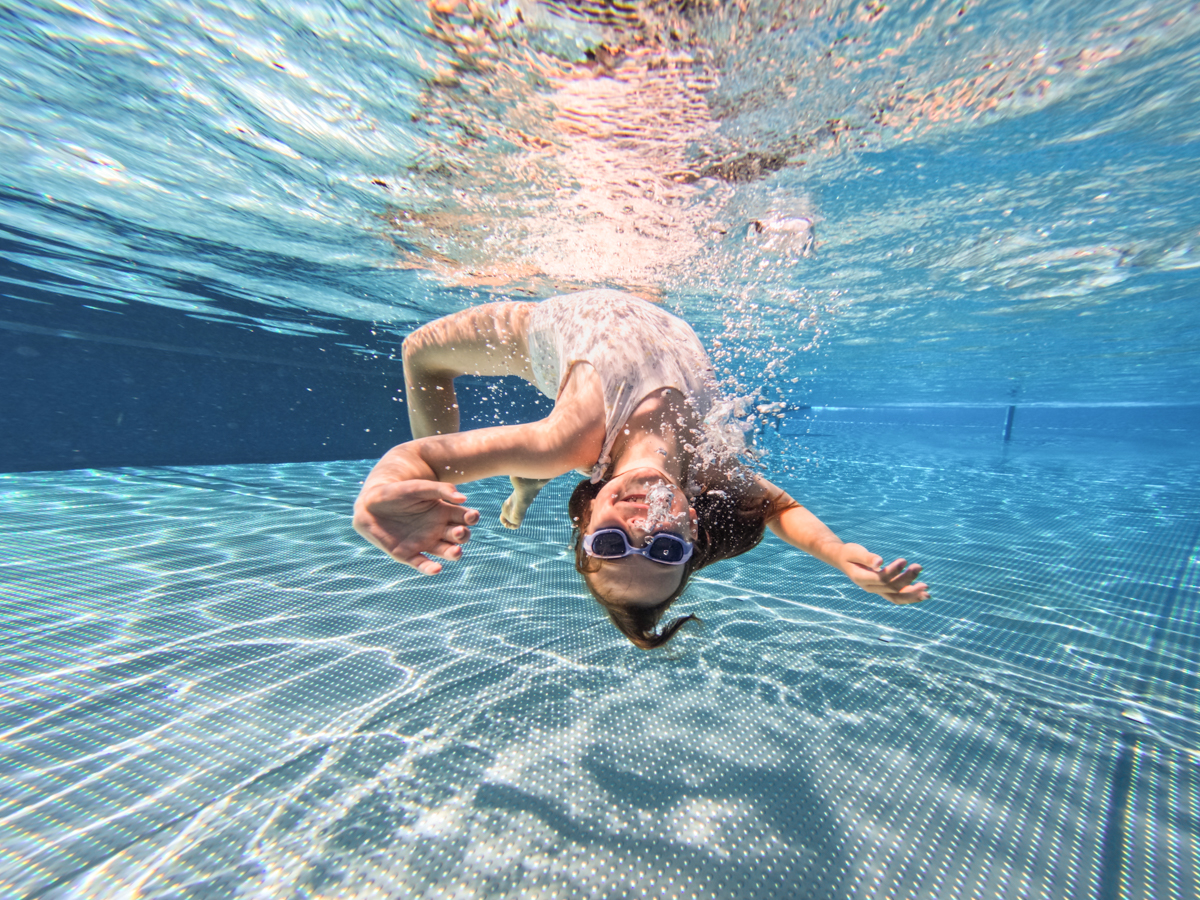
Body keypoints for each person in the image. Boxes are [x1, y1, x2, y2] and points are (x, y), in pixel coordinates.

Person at [353, 290, 929, 649]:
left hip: (539, 332)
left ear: (587, 522)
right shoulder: (709, 462)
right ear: (693, 526)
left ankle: (503, 487)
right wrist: (839, 554)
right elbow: (780, 508)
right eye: (664, 550)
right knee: (530, 463)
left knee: (420, 353)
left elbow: (417, 458)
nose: (640, 528)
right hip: (643, 299)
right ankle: (524, 485)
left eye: (611, 545)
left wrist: (393, 486)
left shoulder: (566, 438)